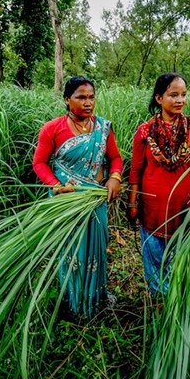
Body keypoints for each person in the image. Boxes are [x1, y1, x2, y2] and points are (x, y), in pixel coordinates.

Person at [32, 75, 123, 317]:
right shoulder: (53, 128)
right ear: (66, 99)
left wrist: (115, 177)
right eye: (80, 97)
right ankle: (73, 302)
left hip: (95, 201)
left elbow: (115, 158)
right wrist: (55, 186)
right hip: (68, 201)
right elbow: (39, 163)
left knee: (97, 249)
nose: (87, 102)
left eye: (91, 97)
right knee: (71, 253)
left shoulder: (102, 128)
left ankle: (96, 299)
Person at [128, 73, 190, 297]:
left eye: (183, 95)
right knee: (155, 262)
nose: (180, 100)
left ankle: (177, 300)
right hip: (152, 210)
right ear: (159, 98)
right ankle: (160, 304)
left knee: (180, 261)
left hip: (184, 210)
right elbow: (136, 170)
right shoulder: (145, 132)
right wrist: (132, 203)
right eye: (173, 95)